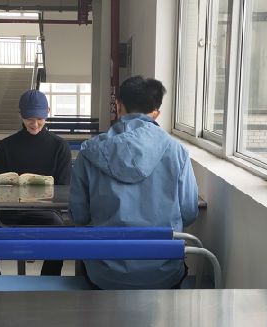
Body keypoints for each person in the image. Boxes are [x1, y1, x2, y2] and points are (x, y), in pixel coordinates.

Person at [68, 76, 199, 289]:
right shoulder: (177, 151)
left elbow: (79, 216)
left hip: (106, 274)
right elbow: (189, 213)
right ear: (156, 113)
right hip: (164, 272)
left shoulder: (90, 152)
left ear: (118, 106)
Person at [0, 89, 72, 276]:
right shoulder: (6, 146)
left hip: (47, 214)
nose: (35, 124)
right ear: (20, 114)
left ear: (48, 112)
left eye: (39, 118)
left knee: (62, 238)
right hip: (10, 214)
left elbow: (64, 189)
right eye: (29, 119)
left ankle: (47, 281)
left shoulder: (60, 146)